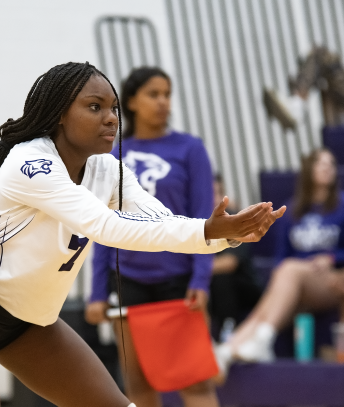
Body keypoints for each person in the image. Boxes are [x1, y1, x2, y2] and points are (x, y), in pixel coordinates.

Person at [0, 62, 284, 407]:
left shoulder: (108, 170)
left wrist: (227, 235)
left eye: (114, 109)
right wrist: (206, 230)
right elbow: (106, 227)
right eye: (95, 107)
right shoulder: (30, 163)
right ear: (60, 113)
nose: (110, 118)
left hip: (31, 323)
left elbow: (162, 221)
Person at [84, 67, 222, 407]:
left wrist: (201, 280)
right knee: (138, 382)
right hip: (127, 279)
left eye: (167, 94)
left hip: (178, 280)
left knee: (195, 383)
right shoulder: (113, 154)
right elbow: (103, 226)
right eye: (153, 94)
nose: (163, 102)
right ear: (131, 101)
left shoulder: (190, 148)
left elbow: (204, 219)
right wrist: (97, 292)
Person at [216, 148, 344, 377]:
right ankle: (231, 349)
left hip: (332, 280)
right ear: (308, 170)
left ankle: (258, 340)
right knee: (283, 277)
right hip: (296, 281)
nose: (327, 168)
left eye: (331, 164)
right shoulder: (293, 209)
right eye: (320, 163)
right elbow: (280, 257)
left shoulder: (341, 205)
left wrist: (332, 257)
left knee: (289, 271)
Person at [210, 174, 262, 341]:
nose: (215, 199)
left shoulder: (235, 219)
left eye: (218, 193)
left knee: (222, 278)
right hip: (209, 286)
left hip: (242, 286)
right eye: (209, 193)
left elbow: (229, 263)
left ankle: (228, 333)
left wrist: (194, 267)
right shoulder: (191, 222)